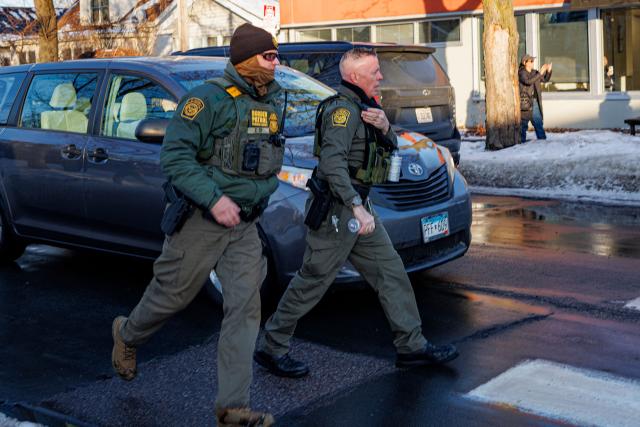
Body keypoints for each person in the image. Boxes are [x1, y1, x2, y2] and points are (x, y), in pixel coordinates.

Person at [111, 23, 283, 427]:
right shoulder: (206, 100)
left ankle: (232, 408)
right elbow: (175, 157)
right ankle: (128, 335)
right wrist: (215, 198)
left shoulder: (273, 101)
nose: (276, 63)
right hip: (202, 221)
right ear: (246, 59)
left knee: (245, 306)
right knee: (171, 296)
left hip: (244, 226)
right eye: (269, 56)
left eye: (276, 56)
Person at [253, 47, 459, 379]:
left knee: (391, 272)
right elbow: (332, 165)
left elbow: (385, 148)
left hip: (358, 209)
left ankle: (412, 347)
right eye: (374, 72)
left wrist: (385, 127)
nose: (381, 76)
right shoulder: (342, 113)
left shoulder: (367, 109)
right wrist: (356, 207)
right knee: (312, 282)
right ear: (354, 77)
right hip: (339, 211)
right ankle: (271, 346)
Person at [519, 54, 552, 143]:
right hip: (525, 102)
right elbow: (528, 81)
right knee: (523, 124)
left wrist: (548, 71)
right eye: (531, 61)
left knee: (538, 122)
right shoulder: (521, 73)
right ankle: (521, 143)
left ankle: (542, 141)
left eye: (533, 61)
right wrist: (540, 73)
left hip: (534, 101)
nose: (532, 63)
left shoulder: (534, 72)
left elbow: (545, 80)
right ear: (524, 62)